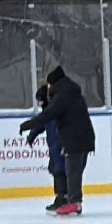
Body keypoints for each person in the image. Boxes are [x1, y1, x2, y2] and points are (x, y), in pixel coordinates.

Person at [18, 66, 96, 215]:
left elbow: (48, 116)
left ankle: (73, 203)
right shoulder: (71, 94)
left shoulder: (63, 97)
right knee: (72, 171)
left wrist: (28, 125)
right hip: (81, 138)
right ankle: (71, 201)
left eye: (49, 85)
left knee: (71, 171)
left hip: (75, 140)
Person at [30, 83, 67, 212]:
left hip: (61, 145)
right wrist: (32, 135)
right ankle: (60, 197)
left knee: (60, 170)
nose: (39, 104)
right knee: (55, 169)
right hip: (54, 145)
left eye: (40, 101)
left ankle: (63, 197)